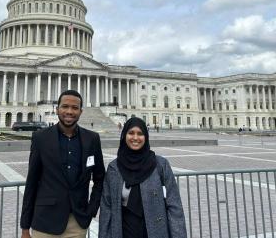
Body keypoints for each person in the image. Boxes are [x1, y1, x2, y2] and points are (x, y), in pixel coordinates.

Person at [21, 89, 105, 238]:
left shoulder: (92, 139)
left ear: (81, 111)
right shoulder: (41, 138)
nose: (69, 111)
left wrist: (91, 209)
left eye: (74, 108)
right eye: (65, 106)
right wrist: (25, 227)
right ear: (57, 109)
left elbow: (100, 179)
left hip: (77, 223)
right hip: (44, 222)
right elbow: (32, 182)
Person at [99, 117, 187, 238]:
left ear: (146, 137)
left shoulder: (160, 165)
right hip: (124, 231)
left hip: (155, 231)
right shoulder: (114, 168)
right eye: (131, 133)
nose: (135, 138)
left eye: (140, 134)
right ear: (124, 135)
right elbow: (106, 207)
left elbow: (174, 205)